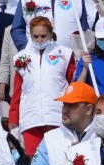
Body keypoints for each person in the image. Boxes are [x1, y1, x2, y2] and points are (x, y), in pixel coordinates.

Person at [10, 17, 75, 156]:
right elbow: (17, 91)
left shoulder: (64, 53)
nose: (39, 40)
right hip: (30, 118)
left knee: (58, 159)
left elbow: (73, 85)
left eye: (43, 36)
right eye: (35, 36)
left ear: (51, 34)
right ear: (30, 35)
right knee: (33, 162)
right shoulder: (21, 57)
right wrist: (13, 118)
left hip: (57, 117)